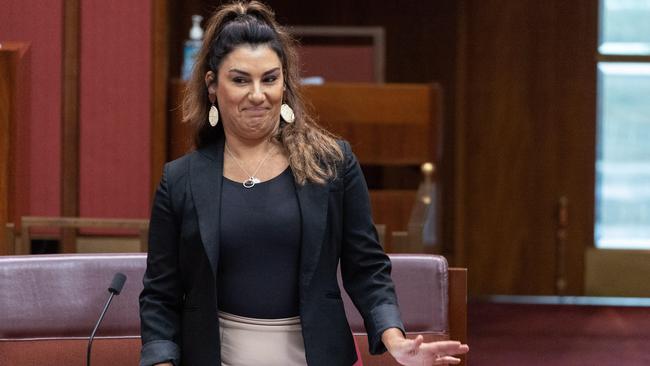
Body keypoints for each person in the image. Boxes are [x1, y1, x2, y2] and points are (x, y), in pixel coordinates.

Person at [139, 1, 469, 365]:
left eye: (269, 78)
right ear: (212, 85)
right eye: (239, 79)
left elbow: (368, 269)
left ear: (285, 82)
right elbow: (160, 294)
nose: (257, 95)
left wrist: (395, 340)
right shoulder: (180, 179)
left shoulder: (331, 164)